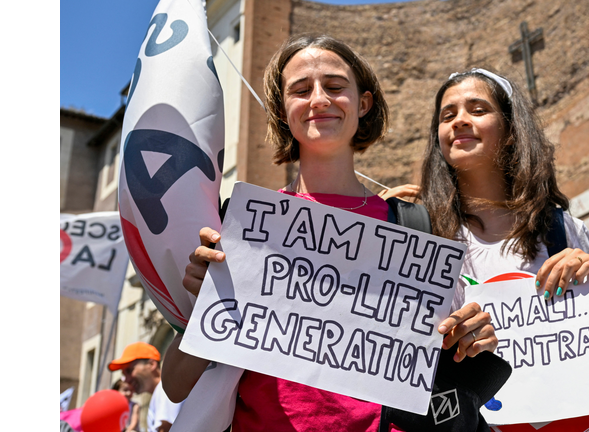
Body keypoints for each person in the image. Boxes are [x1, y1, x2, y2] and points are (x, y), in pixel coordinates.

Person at [162, 34, 499, 432]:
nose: (319, 99)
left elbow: (439, 356)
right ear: (282, 109)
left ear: (364, 104)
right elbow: (176, 385)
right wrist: (205, 308)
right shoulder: (242, 224)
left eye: (335, 87)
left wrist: (471, 337)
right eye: (301, 90)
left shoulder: (413, 226)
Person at [419, 68, 589, 310]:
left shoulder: (565, 232)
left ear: (511, 130)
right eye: (447, 116)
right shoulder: (424, 239)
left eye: (478, 110)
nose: (459, 121)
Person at [109, 342, 183, 432]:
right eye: (124, 374)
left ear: (151, 364)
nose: (126, 380)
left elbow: (165, 429)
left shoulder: (164, 390)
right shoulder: (160, 392)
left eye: (129, 371)